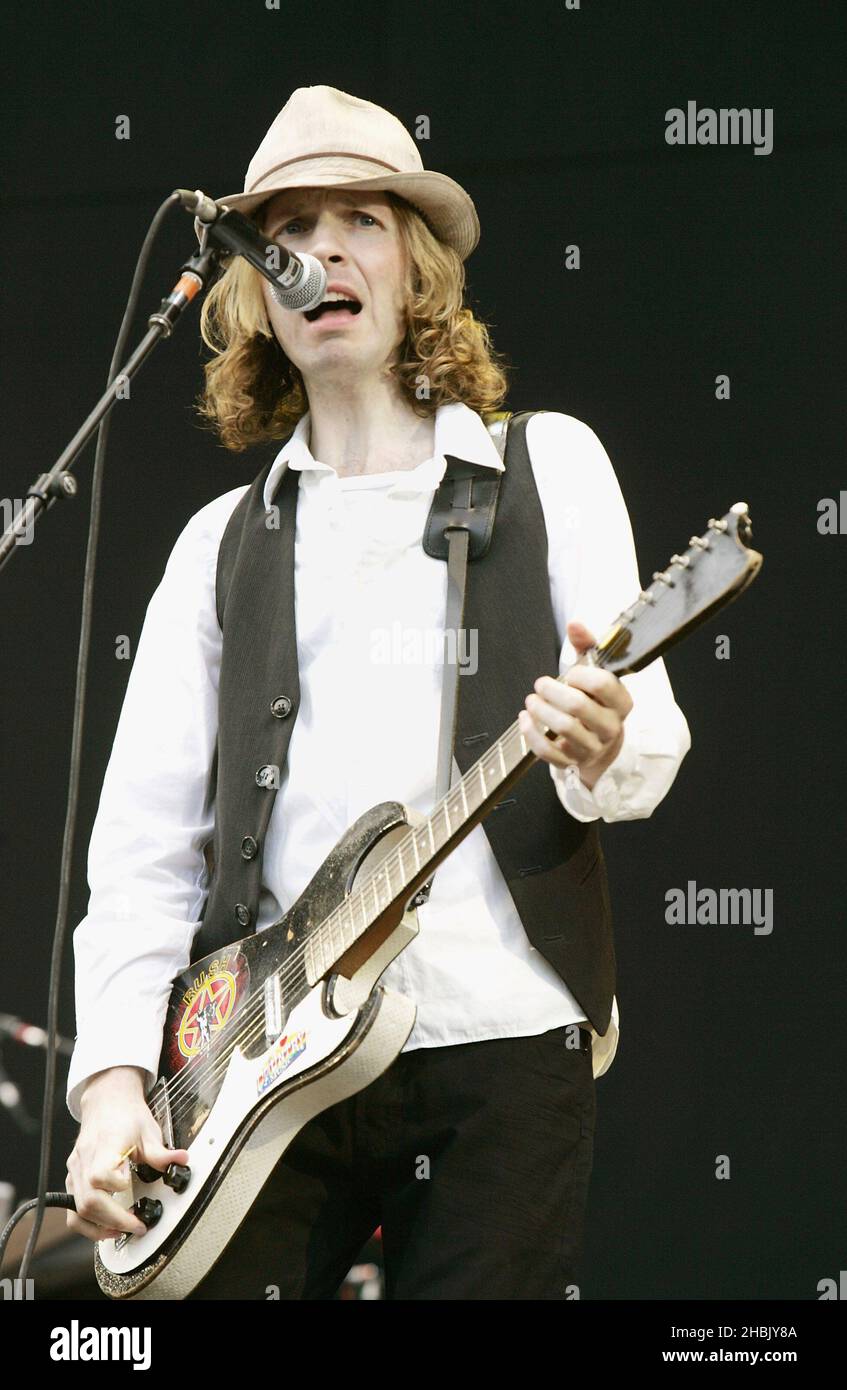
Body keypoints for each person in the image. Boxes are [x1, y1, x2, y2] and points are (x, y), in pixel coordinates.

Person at [64, 85, 691, 1299]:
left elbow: (648, 742)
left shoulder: (545, 465)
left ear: (415, 269)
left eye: (360, 218)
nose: (323, 252)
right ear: (255, 283)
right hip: (262, 1076)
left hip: (500, 1042)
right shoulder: (219, 543)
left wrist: (602, 738)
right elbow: (144, 853)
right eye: (288, 230)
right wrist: (109, 1092)